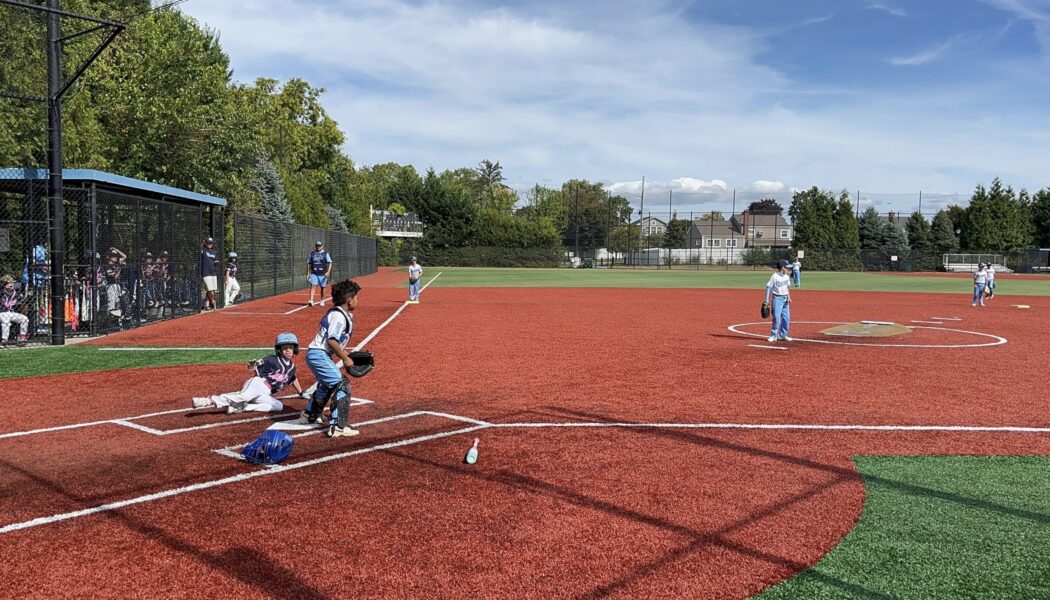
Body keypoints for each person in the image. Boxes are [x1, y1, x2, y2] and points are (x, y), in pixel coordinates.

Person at [298, 279, 361, 437]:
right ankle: (338, 426)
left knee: (327, 384)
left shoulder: (338, 313)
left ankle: (310, 415)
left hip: (316, 353)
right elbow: (331, 340)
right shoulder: (339, 316)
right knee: (342, 384)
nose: (357, 300)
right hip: (319, 354)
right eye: (356, 297)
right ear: (349, 300)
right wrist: (346, 358)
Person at [192, 333, 309, 414]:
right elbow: (255, 365)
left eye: (290, 347)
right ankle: (208, 400)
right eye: (285, 348)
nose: (288, 350)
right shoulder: (272, 359)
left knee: (278, 406)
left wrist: (301, 392)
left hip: (266, 393)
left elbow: (293, 378)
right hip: (258, 384)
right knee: (244, 396)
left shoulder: (292, 367)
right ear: (279, 349)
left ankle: (243, 407)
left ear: (295, 349)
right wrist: (252, 366)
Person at [764, 259, 792, 342]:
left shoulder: (787, 277)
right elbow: (768, 287)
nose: (788, 269)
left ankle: (783, 335)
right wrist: (766, 301)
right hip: (777, 298)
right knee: (776, 318)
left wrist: (789, 297)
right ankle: (774, 335)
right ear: (782, 268)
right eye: (787, 268)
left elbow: (786, 288)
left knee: (786, 318)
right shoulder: (774, 276)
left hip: (785, 299)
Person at [0, 275, 29, 347]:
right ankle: (4, 340)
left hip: (11, 313)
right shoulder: (1, 292)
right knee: (6, 321)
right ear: (4, 285)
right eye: (8, 283)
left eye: (12, 283)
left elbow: (24, 296)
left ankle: (22, 338)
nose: (11, 285)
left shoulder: (16, 293)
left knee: (24, 319)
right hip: (1, 312)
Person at [103, 247, 127, 320]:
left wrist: (116, 249)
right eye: (113, 256)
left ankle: (117, 321)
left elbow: (125, 256)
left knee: (119, 303)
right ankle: (108, 322)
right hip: (111, 286)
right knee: (111, 304)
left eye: (116, 256)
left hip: (117, 285)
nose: (115, 257)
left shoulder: (116, 264)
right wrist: (120, 268)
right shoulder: (107, 266)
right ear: (109, 257)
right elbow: (114, 277)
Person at [307, 241, 332, 306]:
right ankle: (311, 300)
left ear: (322, 246)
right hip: (314, 273)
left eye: (319, 246)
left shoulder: (325, 254)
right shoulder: (312, 254)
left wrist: (328, 272)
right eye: (317, 246)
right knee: (313, 285)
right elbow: (309, 264)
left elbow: (330, 263)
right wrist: (308, 273)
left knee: (323, 287)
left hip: (323, 274)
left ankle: (322, 300)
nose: (318, 247)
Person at [200, 237, 219, 311]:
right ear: (205, 243)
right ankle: (213, 302)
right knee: (210, 290)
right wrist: (203, 243)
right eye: (208, 243)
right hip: (206, 273)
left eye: (211, 243)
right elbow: (199, 249)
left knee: (213, 291)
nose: (209, 244)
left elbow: (216, 261)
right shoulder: (203, 250)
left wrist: (216, 263)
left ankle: (206, 305)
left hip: (213, 273)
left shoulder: (214, 252)